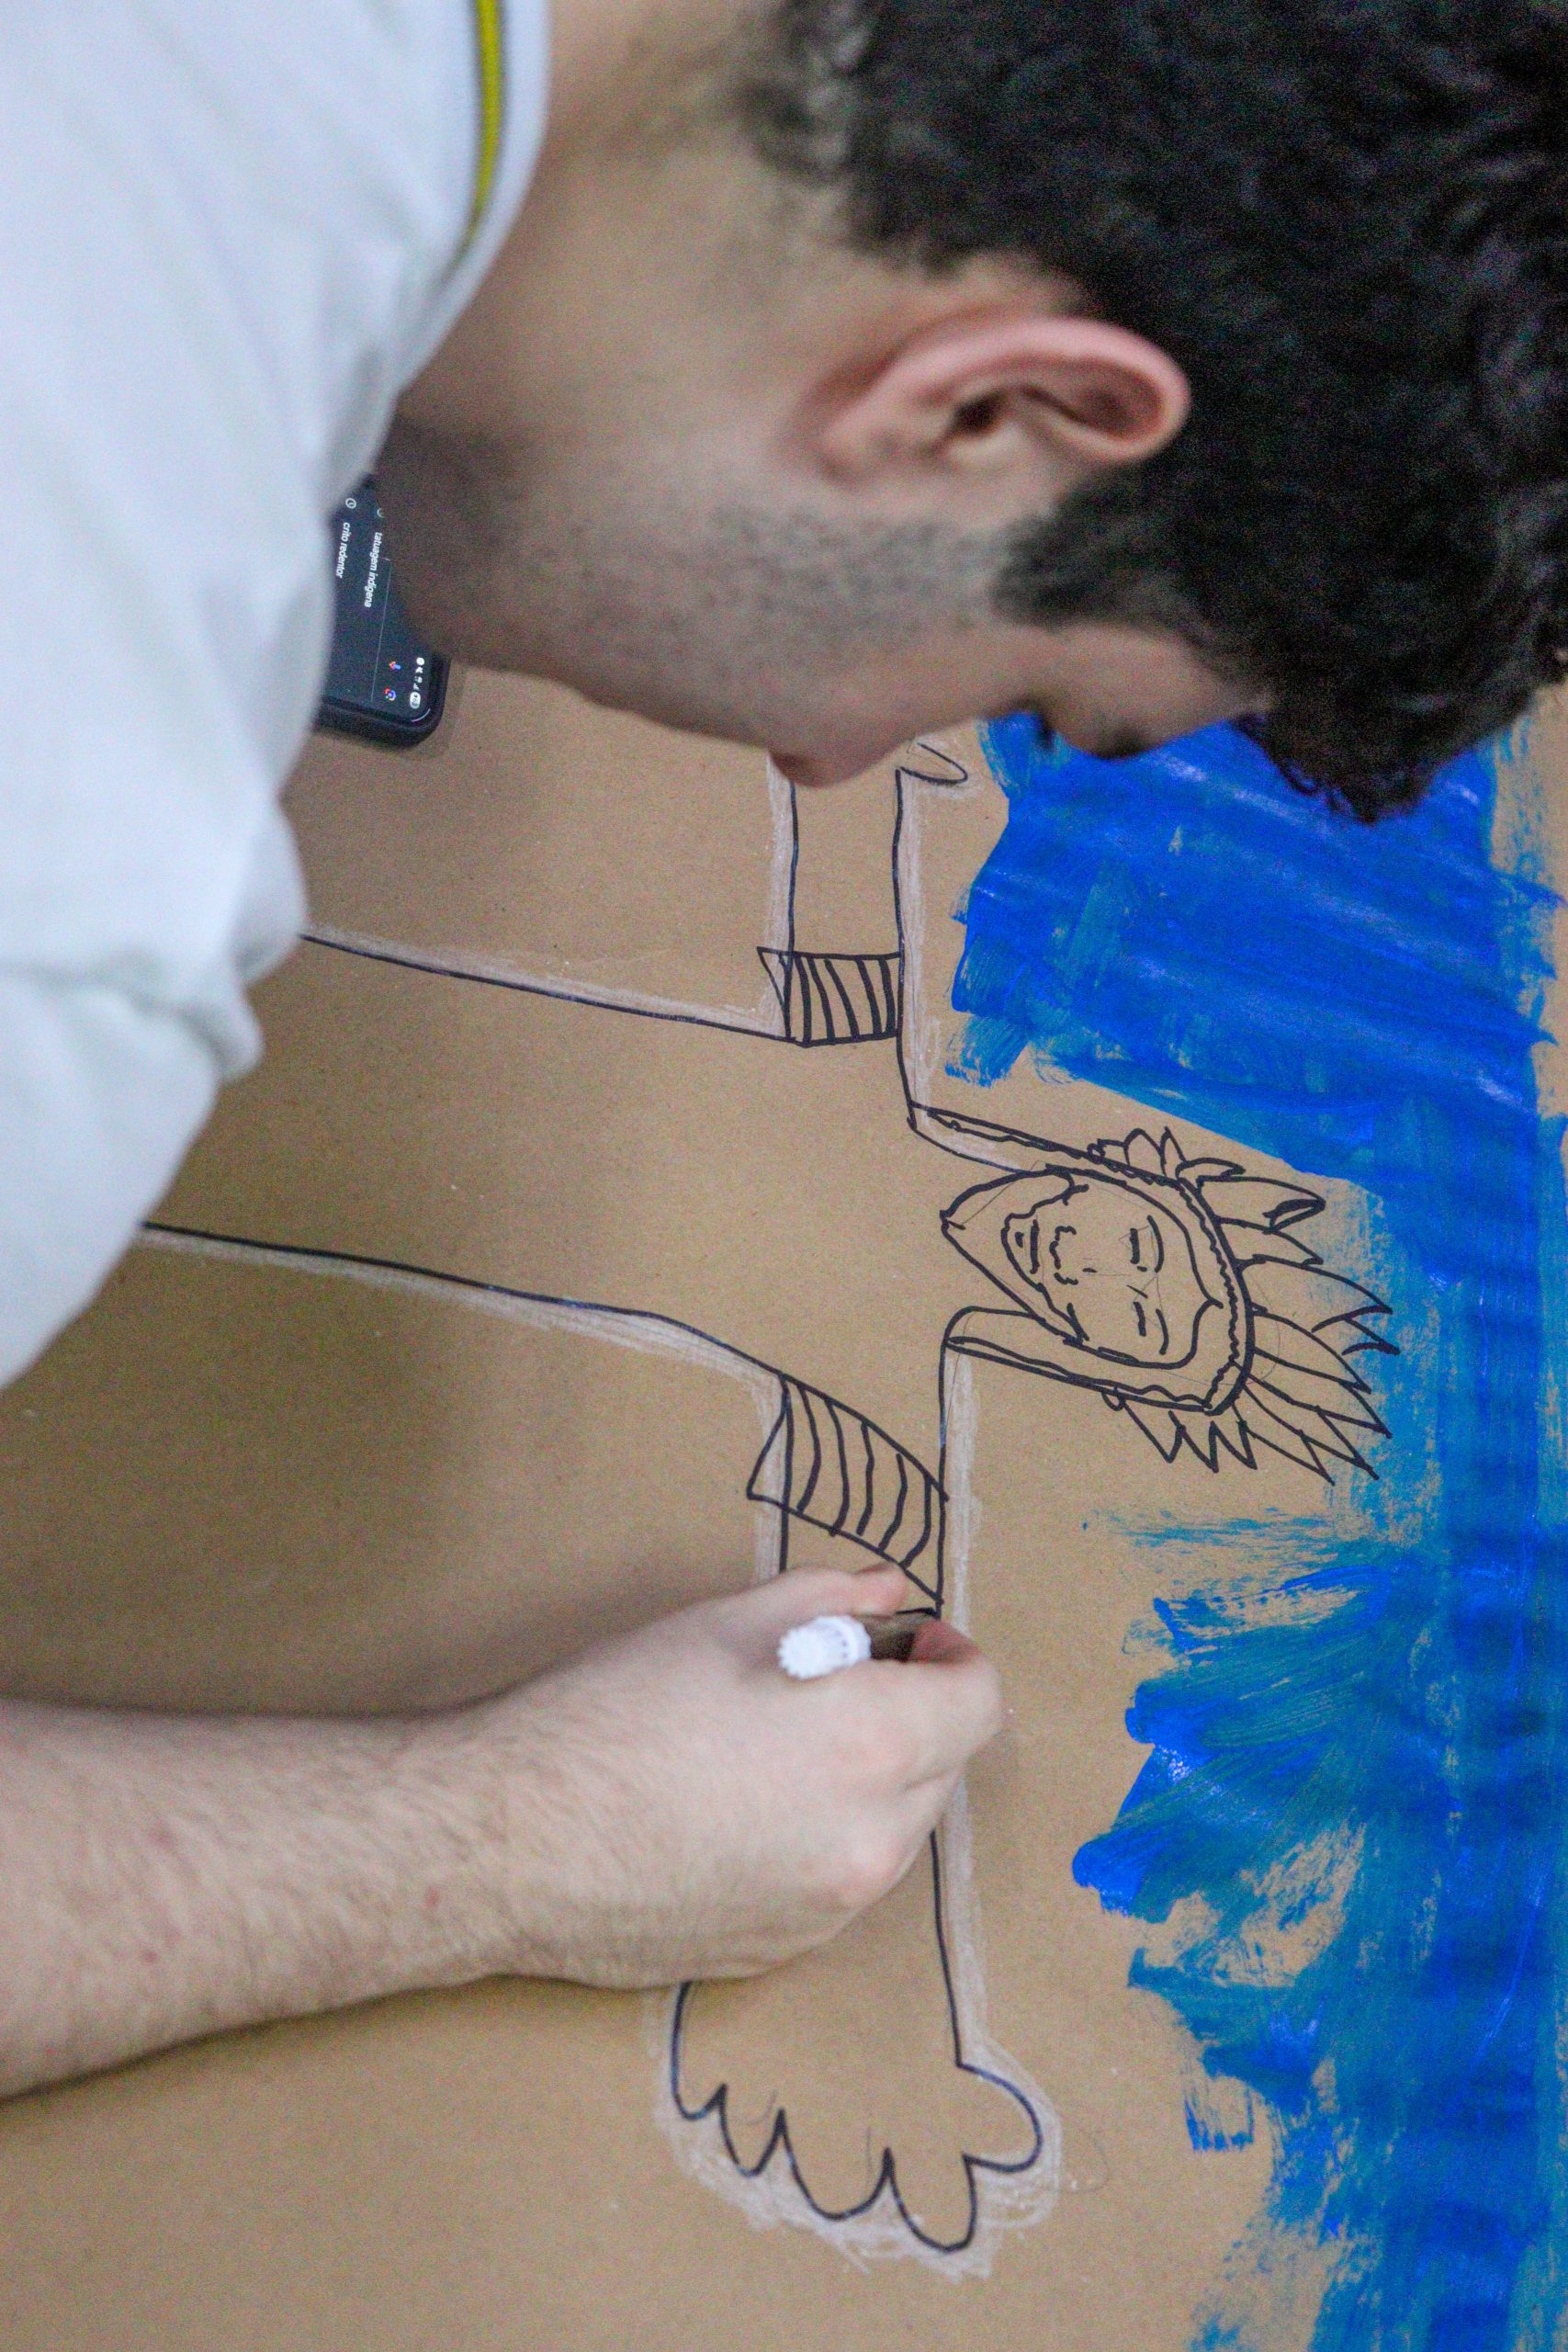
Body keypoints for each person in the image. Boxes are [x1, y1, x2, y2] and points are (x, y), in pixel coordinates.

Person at [0, 0, 1561, 2095]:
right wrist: (509, 1842)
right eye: (1015, 694)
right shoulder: (74, 896)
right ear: (993, 403)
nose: (833, 757)